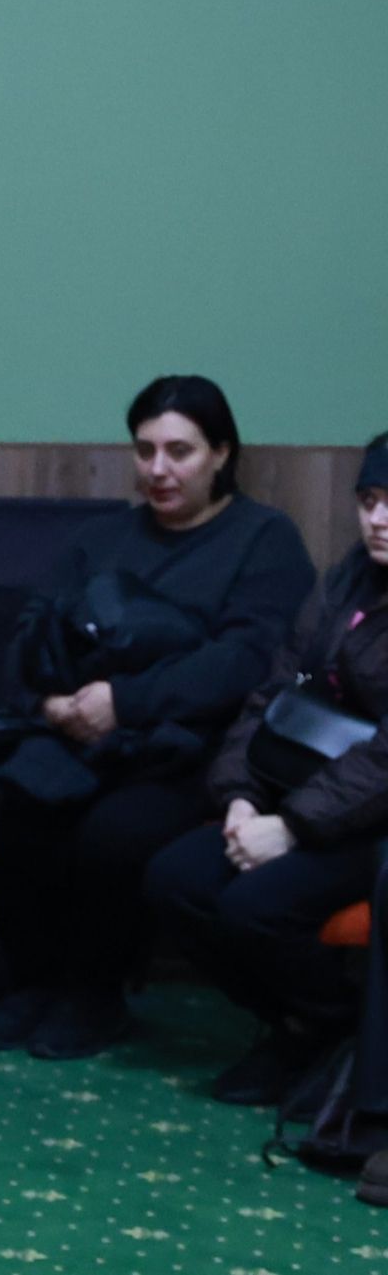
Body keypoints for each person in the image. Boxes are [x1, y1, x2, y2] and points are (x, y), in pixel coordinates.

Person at [0, 376, 315, 1060]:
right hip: (74, 733)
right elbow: (33, 628)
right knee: (22, 807)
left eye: (179, 451)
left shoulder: (263, 539)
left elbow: (244, 663)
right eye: (145, 450)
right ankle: (34, 983)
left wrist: (124, 702)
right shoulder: (103, 538)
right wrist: (50, 702)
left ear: (221, 453)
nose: (158, 469)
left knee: (113, 833)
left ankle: (94, 995)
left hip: (190, 749)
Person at [143, 434, 388, 1104]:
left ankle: (332, 1026)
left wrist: (293, 827)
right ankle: (295, 1024)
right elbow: (275, 691)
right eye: (369, 500)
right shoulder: (346, 579)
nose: (377, 519)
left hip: (369, 825)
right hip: (297, 793)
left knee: (254, 906)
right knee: (174, 879)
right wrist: (242, 796)